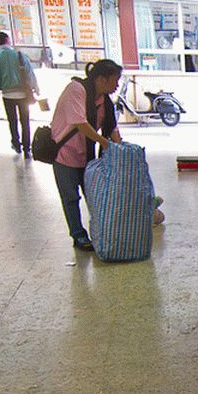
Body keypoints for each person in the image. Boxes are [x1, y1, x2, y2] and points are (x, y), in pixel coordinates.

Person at [50, 59, 123, 251]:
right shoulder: (76, 90)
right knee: (71, 197)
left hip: (87, 156)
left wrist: (121, 148)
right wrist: (105, 143)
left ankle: (101, 231)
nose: (116, 85)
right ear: (100, 79)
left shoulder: (104, 100)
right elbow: (79, 123)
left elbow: (111, 126)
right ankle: (78, 235)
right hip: (65, 154)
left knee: (96, 195)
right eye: (114, 81)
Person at [0, 31, 39, 158]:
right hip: (23, 95)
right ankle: (27, 148)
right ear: (7, 39)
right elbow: (29, 73)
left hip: (7, 95)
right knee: (25, 121)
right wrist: (36, 89)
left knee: (12, 121)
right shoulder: (19, 55)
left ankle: (16, 144)